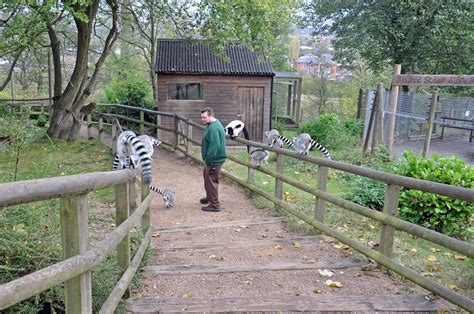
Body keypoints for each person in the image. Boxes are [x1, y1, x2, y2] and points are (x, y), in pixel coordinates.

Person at [200, 107, 227, 212]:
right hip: (210, 160)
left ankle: (215, 205)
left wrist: (209, 161)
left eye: (204, 117)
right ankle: (209, 197)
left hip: (214, 160)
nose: (202, 119)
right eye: (201, 117)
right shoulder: (211, 125)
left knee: (211, 181)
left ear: (211, 115)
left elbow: (214, 147)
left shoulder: (214, 128)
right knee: (207, 178)